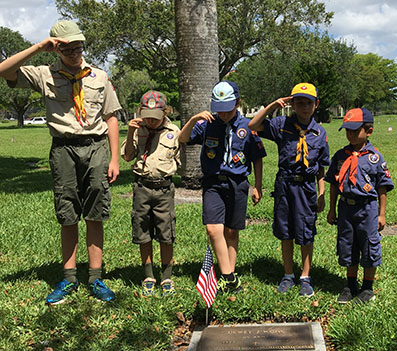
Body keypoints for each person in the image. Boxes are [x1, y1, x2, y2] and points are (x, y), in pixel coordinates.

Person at [0, 20, 121, 304]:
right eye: (68, 48)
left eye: (79, 46)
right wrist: (40, 47)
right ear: (56, 48)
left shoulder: (98, 76)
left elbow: (111, 117)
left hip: (96, 147)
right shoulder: (44, 75)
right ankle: (68, 278)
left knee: (95, 213)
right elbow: (4, 70)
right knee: (67, 213)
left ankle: (95, 277)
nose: (76, 52)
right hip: (63, 149)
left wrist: (115, 158)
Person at [179, 81, 266, 293]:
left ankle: (229, 275)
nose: (223, 115)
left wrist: (258, 186)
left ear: (238, 102)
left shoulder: (248, 126)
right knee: (213, 228)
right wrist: (193, 119)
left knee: (231, 231)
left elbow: (257, 158)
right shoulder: (206, 124)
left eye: (227, 109)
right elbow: (182, 138)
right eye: (219, 110)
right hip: (213, 183)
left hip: (238, 183)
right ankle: (227, 276)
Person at [248, 83, 330, 297]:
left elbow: (321, 167)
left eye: (308, 103)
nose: (304, 107)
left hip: (306, 186)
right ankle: (287, 274)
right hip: (285, 184)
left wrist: (321, 193)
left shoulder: (319, 133)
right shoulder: (281, 124)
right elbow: (253, 126)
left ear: (316, 105)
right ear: (292, 104)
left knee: (306, 231)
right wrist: (272, 106)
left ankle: (305, 276)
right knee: (285, 231)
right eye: (299, 103)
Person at [325, 108, 394, 304]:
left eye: (355, 131)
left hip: (367, 209)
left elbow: (382, 188)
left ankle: (367, 287)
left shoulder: (375, 157)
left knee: (369, 245)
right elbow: (333, 184)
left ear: (369, 131)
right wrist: (331, 209)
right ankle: (350, 285)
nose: (351, 135)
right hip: (345, 208)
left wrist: (381, 214)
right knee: (348, 245)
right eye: (347, 131)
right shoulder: (340, 156)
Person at [121, 91, 181, 297]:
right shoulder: (138, 131)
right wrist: (130, 133)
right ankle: (148, 276)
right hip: (142, 188)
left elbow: (178, 160)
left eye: (155, 116)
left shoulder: (174, 132)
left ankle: (166, 277)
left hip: (164, 189)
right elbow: (128, 156)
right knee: (142, 231)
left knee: (166, 234)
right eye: (146, 115)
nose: (150, 120)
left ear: (165, 112)